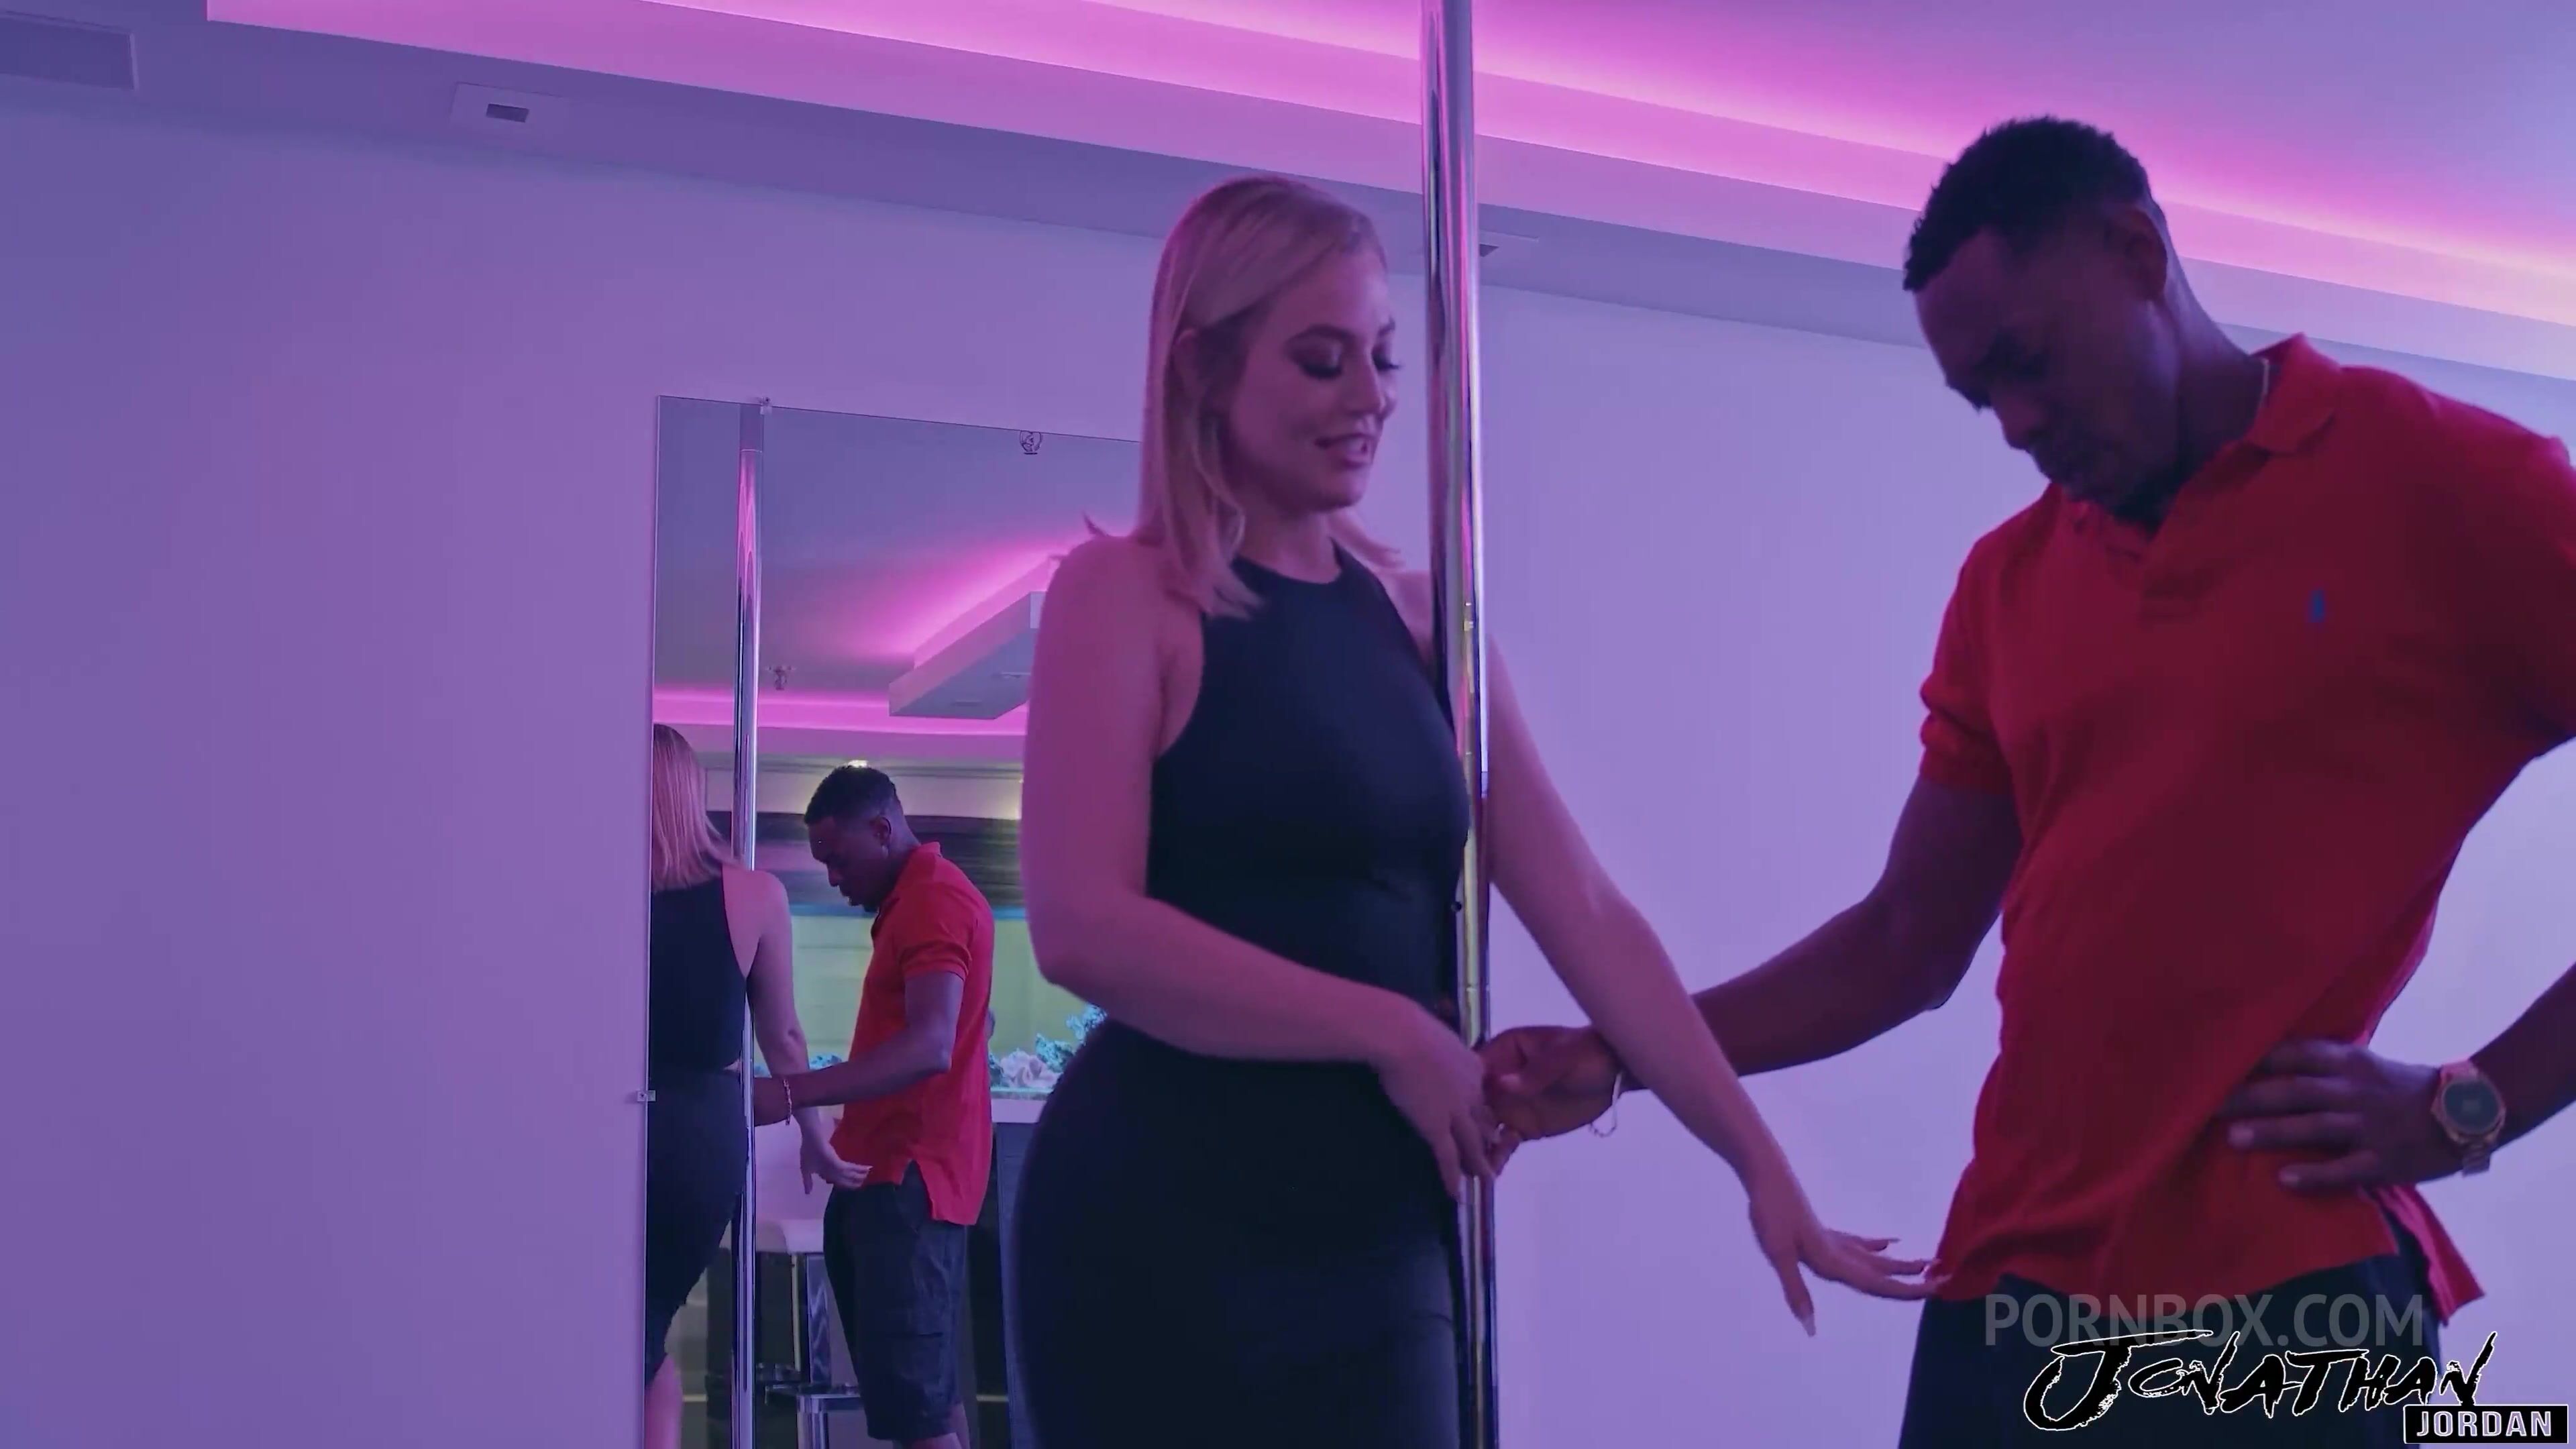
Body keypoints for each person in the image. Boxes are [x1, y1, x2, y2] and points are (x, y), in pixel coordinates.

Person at [1484, 117, 2576, 1446]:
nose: (2014, 424)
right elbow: (1902, 942)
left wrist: (2476, 1104)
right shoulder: (2009, 582)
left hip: (2290, 1293)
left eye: (2028, 363)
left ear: (2138, 253)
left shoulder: (2438, 484)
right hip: (2010, 1286)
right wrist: (1621, 1055)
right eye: (1980, 397)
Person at [1001, 174, 1938, 1449]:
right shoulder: (1122, 596)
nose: (1373, 397)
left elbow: (1588, 911)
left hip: (1381, 1219)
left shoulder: (1427, 622)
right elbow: (1083, 927)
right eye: (1323, 360)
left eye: (1382, 357)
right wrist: (1385, 1026)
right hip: (1160, 1215)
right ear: (1203, 368)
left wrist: (1755, 1159)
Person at [751, 765, 995, 1449]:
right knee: (927, 1403)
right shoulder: (919, 902)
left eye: (839, 859)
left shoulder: (934, 901)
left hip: (911, 1183)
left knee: (919, 1415)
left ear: (883, 829)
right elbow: (969, 1026)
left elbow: (931, 1045)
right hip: (891, 1178)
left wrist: (791, 1093)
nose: (833, 878)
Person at [643, 724, 865, 1449]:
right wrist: (815, 1136)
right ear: (692, 792)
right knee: (645, 1331)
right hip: (695, 1137)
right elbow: (785, 1037)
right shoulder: (753, 894)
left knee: (626, 1333)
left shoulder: (588, 888)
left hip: (606, 1123)